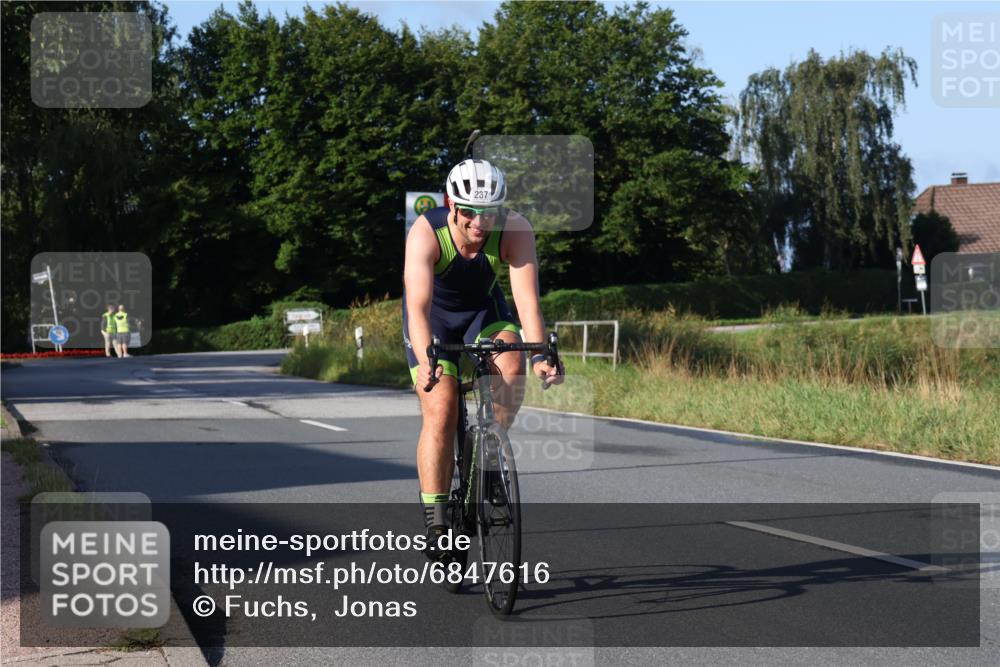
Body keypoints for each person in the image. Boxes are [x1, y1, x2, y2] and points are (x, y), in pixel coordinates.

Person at [402, 158, 563, 557]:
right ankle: (437, 518)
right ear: (451, 204)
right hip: (434, 320)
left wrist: (540, 356)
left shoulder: (516, 228)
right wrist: (427, 362)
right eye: (470, 212)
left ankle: (488, 457)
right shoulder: (426, 232)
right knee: (441, 408)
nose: (480, 222)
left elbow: (527, 302)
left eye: (489, 212)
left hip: (483, 314)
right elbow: (418, 307)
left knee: (512, 366)